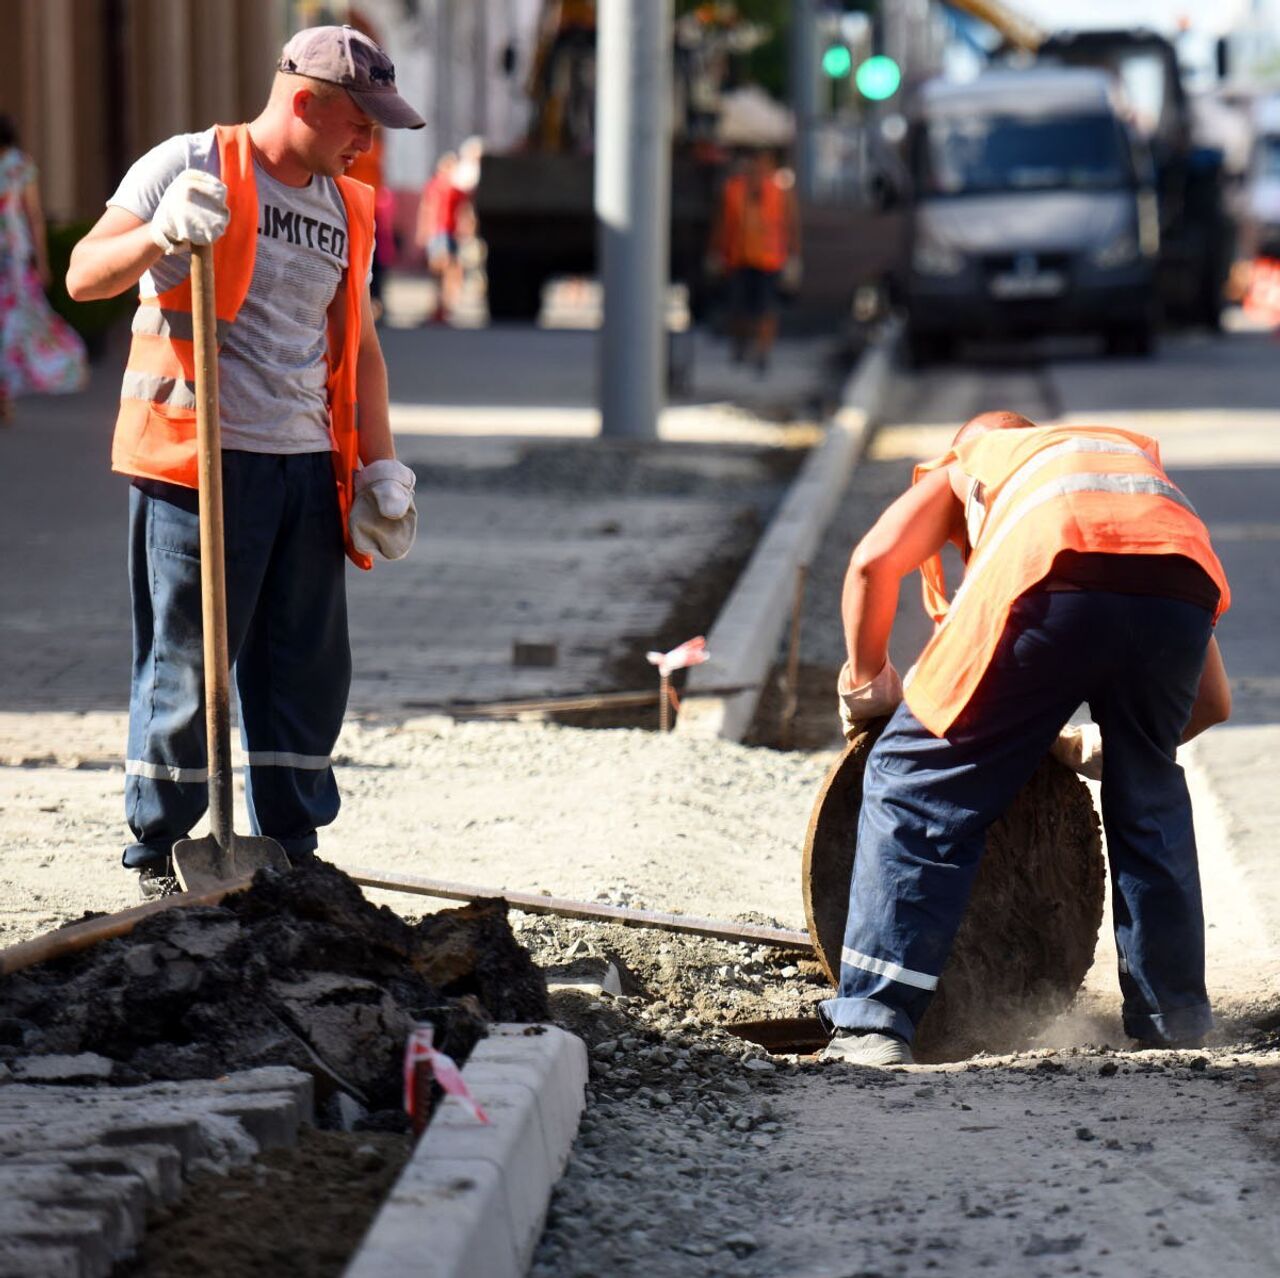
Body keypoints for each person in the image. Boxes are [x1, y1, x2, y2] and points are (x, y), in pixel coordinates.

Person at [65, 25, 425, 897]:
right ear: (305, 101)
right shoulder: (188, 164)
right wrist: (159, 233)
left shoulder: (349, 206)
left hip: (304, 468)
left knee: (304, 663)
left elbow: (363, 348)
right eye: (359, 123)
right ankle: (160, 850)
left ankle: (291, 847)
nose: (367, 142)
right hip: (197, 467)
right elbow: (83, 276)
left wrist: (380, 466)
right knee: (186, 661)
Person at [822, 411, 1232, 1066]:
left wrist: (867, 688)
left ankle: (874, 1021)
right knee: (1149, 796)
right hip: (1179, 584)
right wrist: (1103, 748)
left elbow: (872, 563)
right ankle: (1172, 1021)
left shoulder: (976, 459)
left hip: (1048, 574)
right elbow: (1211, 702)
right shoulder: (1111, 479)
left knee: (909, 776)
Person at [0, 115, 87, 422]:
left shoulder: (18, 166)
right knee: (18, 321)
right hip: (14, 255)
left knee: (13, 323)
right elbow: (33, 215)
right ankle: (7, 391)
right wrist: (43, 261)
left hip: (11, 257)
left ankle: (5, 392)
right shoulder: (19, 165)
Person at [709, 147, 800, 374]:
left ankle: (762, 354)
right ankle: (740, 347)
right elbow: (722, 223)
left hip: (769, 261)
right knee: (738, 308)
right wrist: (714, 252)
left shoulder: (780, 191)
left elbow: (791, 225)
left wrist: (794, 258)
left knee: (766, 309)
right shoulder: (734, 189)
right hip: (738, 258)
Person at [416, 151, 468, 323]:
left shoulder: (454, 189)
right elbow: (428, 208)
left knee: (446, 272)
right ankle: (440, 307)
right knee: (442, 271)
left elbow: (463, 211)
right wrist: (424, 231)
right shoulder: (437, 186)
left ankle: (443, 307)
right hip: (439, 233)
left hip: (447, 233)